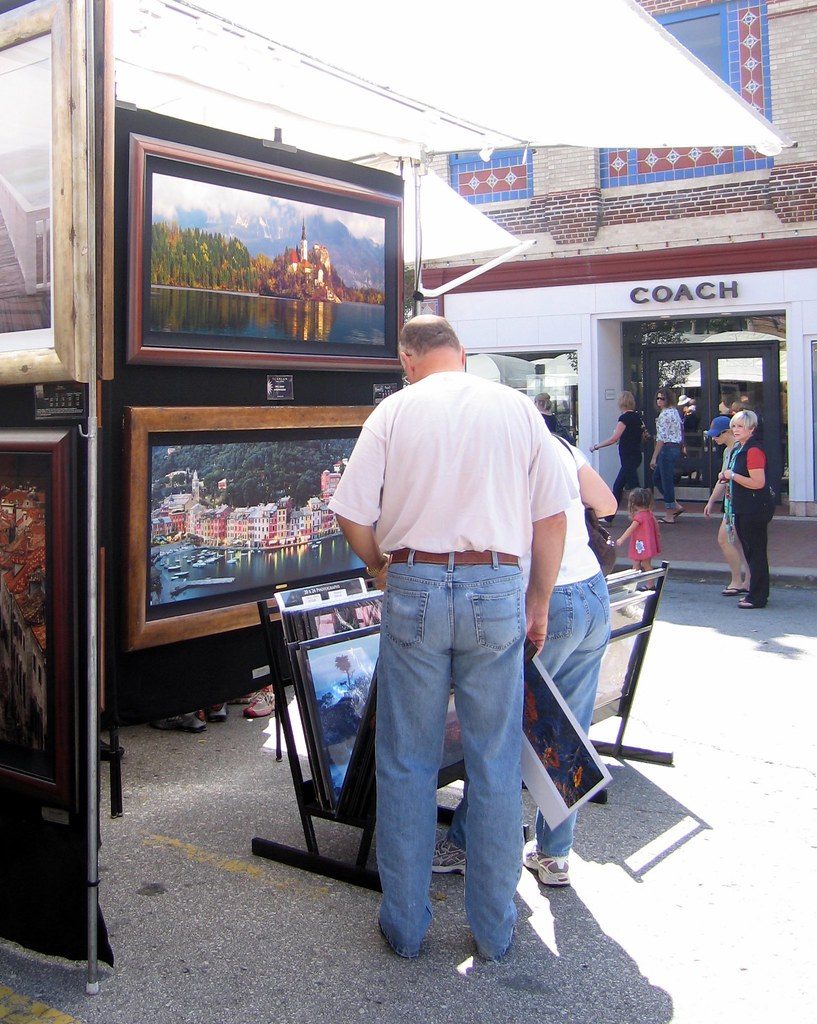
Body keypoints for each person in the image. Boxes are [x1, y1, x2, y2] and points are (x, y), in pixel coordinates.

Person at [328, 314, 575, 961]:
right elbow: (552, 516)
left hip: (413, 581)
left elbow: (349, 511)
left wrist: (379, 565)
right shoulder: (517, 409)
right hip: (496, 585)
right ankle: (493, 931)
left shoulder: (393, 412)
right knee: (494, 761)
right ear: (461, 355)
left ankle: (405, 928)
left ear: (406, 360)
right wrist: (538, 601)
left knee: (407, 761)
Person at [432, 437, 616, 889]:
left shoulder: (500, 450)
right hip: (592, 591)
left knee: (504, 730)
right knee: (569, 729)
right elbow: (608, 503)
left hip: (544, 599)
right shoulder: (562, 447)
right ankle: (555, 855)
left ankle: (467, 841)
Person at [721, 409, 774, 609]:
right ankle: (754, 592)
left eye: (740, 426)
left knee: (756, 553)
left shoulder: (753, 450)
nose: (736, 430)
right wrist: (727, 476)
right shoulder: (740, 449)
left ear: (751, 429)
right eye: (734, 426)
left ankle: (758, 596)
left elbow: (758, 482)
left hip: (755, 509)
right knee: (751, 552)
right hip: (743, 507)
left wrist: (733, 476)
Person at [702, 415, 750, 596]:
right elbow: (722, 479)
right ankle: (747, 581)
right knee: (742, 543)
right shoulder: (727, 451)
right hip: (731, 502)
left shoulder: (739, 450)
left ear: (727, 431)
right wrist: (711, 500)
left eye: (717, 435)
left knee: (725, 539)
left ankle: (737, 580)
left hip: (738, 502)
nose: (714, 439)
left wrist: (713, 500)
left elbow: (728, 477)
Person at [590, 390, 644, 513]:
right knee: (620, 485)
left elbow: (614, 439)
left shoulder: (624, 418)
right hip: (635, 455)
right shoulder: (638, 417)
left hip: (627, 456)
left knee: (632, 486)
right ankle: (610, 515)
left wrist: (596, 446)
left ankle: (643, 511)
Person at [649, 386, 685, 524]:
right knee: (657, 478)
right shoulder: (675, 412)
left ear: (667, 399)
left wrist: (654, 457)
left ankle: (670, 512)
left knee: (665, 481)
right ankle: (674, 505)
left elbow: (661, 438)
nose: (659, 401)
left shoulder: (664, 415)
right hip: (675, 447)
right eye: (658, 398)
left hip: (667, 448)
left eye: (662, 398)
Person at [614, 488, 661, 578]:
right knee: (645, 564)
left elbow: (631, 529)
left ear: (633, 504)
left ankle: (641, 583)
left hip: (640, 544)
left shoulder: (639, 517)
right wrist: (657, 534)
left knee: (638, 564)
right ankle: (650, 584)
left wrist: (621, 539)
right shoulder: (649, 514)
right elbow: (656, 524)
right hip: (646, 543)